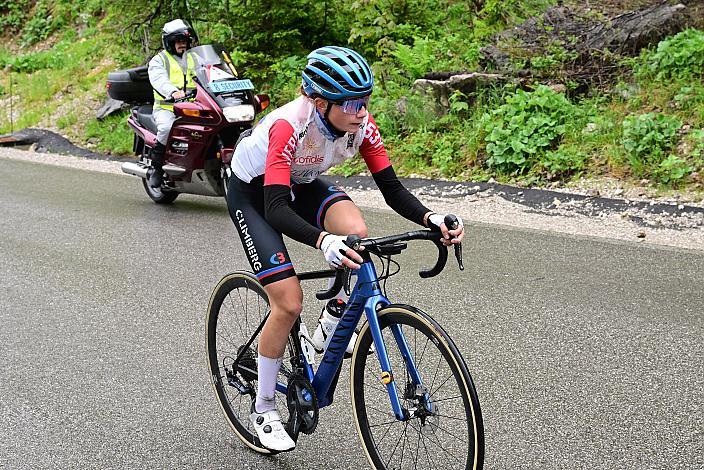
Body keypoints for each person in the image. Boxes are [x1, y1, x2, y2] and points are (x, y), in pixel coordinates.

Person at [226, 45, 464, 452]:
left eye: (366, 101)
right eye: (352, 103)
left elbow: (391, 189)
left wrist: (431, 219)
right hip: (256, 194)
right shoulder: (289, 127)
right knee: (287, 303)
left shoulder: (361, 126)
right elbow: (276, 208)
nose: (361, 112)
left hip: (299, 183)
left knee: (356, 231)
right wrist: (323, 241)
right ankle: (264, 408)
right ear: (319, 103)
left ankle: (334, 318)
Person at [146, 19, 198, 188]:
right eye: (178, 41)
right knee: (166, 128)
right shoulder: (159, 60)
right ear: (169, 42)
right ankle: (156, 168)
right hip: (167, 108)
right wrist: (173, 92)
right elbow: (159, 80)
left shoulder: (195, 58)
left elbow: (211, 71)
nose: (182, 44)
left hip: (193, 108)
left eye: (185, 41)